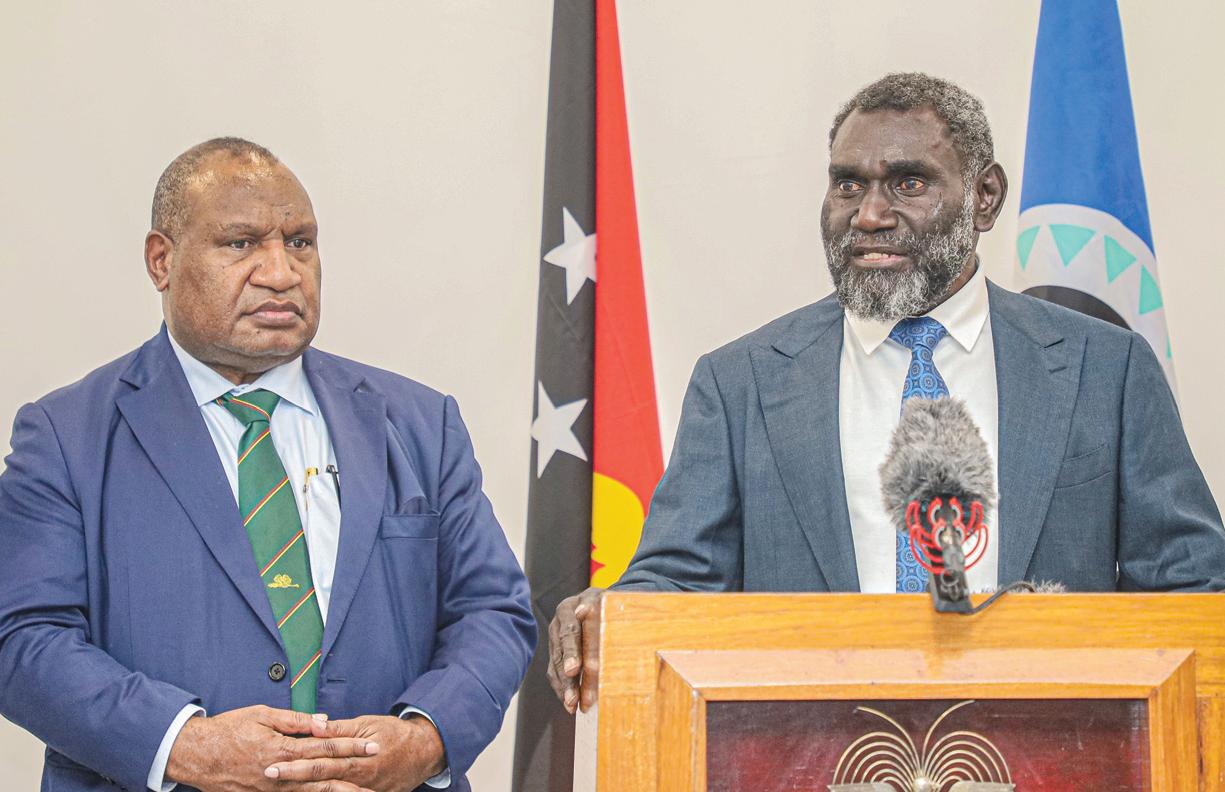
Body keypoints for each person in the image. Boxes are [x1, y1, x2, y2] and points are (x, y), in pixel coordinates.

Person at [546, 72, 1225, 714]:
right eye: (848, 184)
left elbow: (1191, 584)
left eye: (908, 183)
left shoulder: (1104, 369)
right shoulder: (740, 381)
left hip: (1049, 752)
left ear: (984, 197)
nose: (869, 215)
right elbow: (678, 583)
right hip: (811, 756)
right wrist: (613, 612)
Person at [0, 138, 535, 792]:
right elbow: (22, 638)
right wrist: (185, 745)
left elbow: (492, 611)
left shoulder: (421, 421)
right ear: (161, 260)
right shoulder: (65, 436)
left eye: (300, 242)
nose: (281, 273)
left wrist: (426, 738)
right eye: (241, 243)